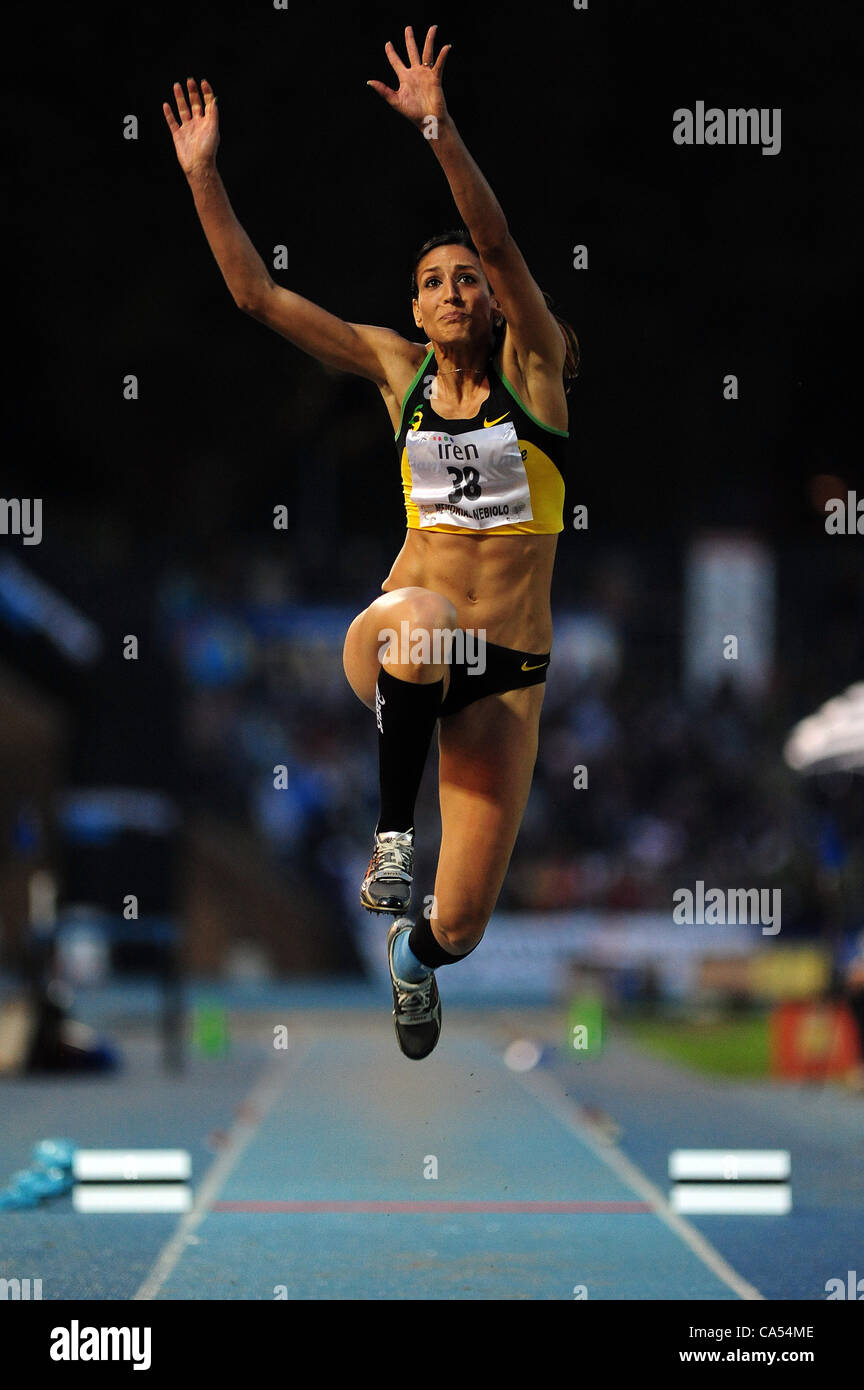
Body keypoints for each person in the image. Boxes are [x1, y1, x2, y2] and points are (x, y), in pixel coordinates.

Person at [163, 24, 578, 1060]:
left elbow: (498, 241)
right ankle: (391, 846)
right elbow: (256, 295)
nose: (453, 290)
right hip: (401, 636)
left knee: (467, 919)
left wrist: (436, 127)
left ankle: (415, 953)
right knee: (426, 619)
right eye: (432, 281)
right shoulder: (397, 375)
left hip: (508, 672)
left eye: (465, 280)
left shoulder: (536, 380)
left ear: (495, 305)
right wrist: (205, 177)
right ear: (413, 310)